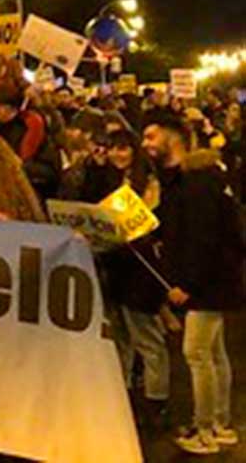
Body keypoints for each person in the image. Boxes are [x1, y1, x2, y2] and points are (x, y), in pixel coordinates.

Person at [145, 116, 245, 454]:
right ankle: (220, 423)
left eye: (150, 135)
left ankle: (205, 430)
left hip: (207, 285)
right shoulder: (188, 179)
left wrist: (186, 284)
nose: (145, 144)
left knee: (197, 353)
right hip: (216, 282)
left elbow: (204, 239)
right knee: (214, 354)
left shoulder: (197, 181)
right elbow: (172, 225)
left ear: (173, 137)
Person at [95, 129, 170, 429]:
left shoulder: (149, 183)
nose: (116, 155)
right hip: (116, 267)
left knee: (147, 338)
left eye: (123, 149)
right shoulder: (110, 179)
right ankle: (123, 393)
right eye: (112, 148)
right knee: (121, 337)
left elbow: (149, 225)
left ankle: (156, 400)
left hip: (141, 270)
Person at [0, 83, 61, 197]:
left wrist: (21, 166)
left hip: (22, 192)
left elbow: (50, 172)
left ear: (14, 108)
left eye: (2, 104)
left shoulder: (32, 129)